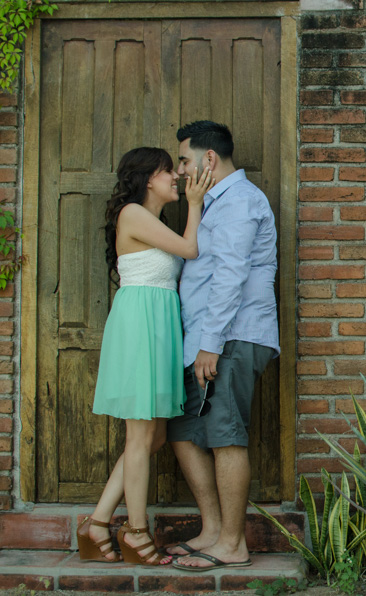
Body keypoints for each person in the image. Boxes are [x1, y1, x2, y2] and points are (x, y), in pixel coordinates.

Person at [77, 147, 213, 566]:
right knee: (139, 438)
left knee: (153, 438)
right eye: (168, 170)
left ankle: (97, 524)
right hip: (140, 329)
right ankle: (135, 532)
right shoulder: (133, 213)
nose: (176, 177)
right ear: (147, 178)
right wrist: (195, 204)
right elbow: (190, 249)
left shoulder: (154, 222)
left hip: (159, 329)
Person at [166, 121, 279, 572]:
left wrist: (210, 344)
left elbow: (230, 277)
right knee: (184, 432)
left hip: (230, 337)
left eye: (184, 160)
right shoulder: (215, 203)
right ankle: (212, 532)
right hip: (206, 340)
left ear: (209, 158)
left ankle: (233, 544)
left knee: (225, 435)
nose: (180, 171)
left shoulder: (240, 201)